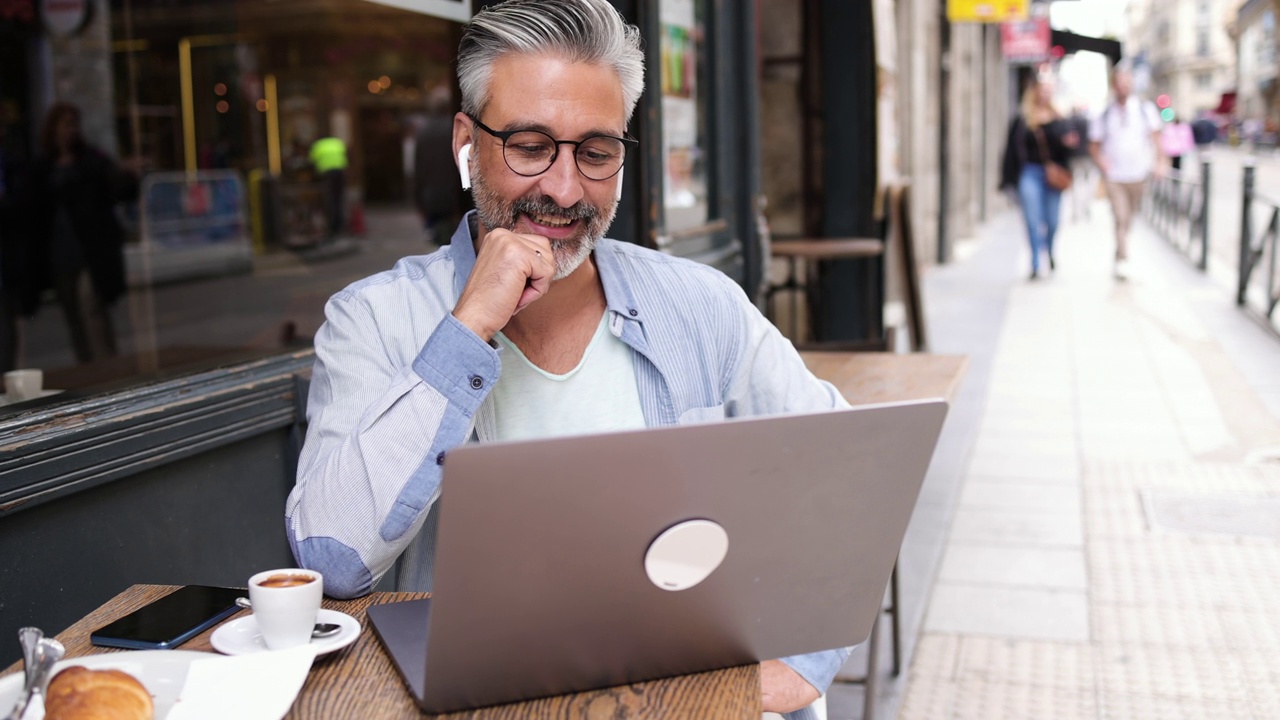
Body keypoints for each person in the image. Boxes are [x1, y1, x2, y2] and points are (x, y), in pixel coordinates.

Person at [286, 1, 851, 716]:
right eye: (528, 145)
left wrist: (805, 659)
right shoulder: (374, 318)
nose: (562, 188)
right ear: (466, 141)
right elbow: (332, 561)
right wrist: (469, 327)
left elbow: (846, 473)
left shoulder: (701, 303)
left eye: (595, 151)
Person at [30, 103, 136, 364]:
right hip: (61, 249)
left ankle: (106, 367)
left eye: (73, 125)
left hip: (90, 248)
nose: (70, 131)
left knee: (91, 306)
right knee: (74, 316)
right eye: (65, 125)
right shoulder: (44, 166)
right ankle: (88, 369)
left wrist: (128, 176)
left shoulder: (90, 160)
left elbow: (115, 187)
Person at [1089, 67, 1164, 280]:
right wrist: (1102, 163)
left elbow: (1156, 138)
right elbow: (1094, 145)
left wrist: (1160, 163)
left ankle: (1119, 252)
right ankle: (1123, 259)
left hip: (1138, 174)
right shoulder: (1104, 114)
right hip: (1115, 176)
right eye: (1119, 83)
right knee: (1120, 217)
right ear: (1114, 85)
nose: (1123, 87)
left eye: (1126, 83)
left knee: (1129, 218)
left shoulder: (1144, 110)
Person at [1000, 77, 1073, 280]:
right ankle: (1034, 261)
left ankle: (1048, 251)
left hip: (1053, 175)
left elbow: (1068, 151)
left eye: (1049, 90)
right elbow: (1011, 150)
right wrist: (1007, 179)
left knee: (1052, 220)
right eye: (1042, 89)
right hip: (1029, 173)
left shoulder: (1059, 119)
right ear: (1034, 92)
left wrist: (1067, 143)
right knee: (1032, 220)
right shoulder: (1022, 120)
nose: (1045, 94)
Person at [308, 135, 348, 239]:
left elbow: (311, 161)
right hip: (339, 173)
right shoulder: (337, 142)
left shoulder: (318, 145)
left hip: (326, 175)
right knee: (338, 199)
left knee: (329, 200)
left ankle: (331, 225)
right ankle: (340, 224)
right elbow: (346, 155)